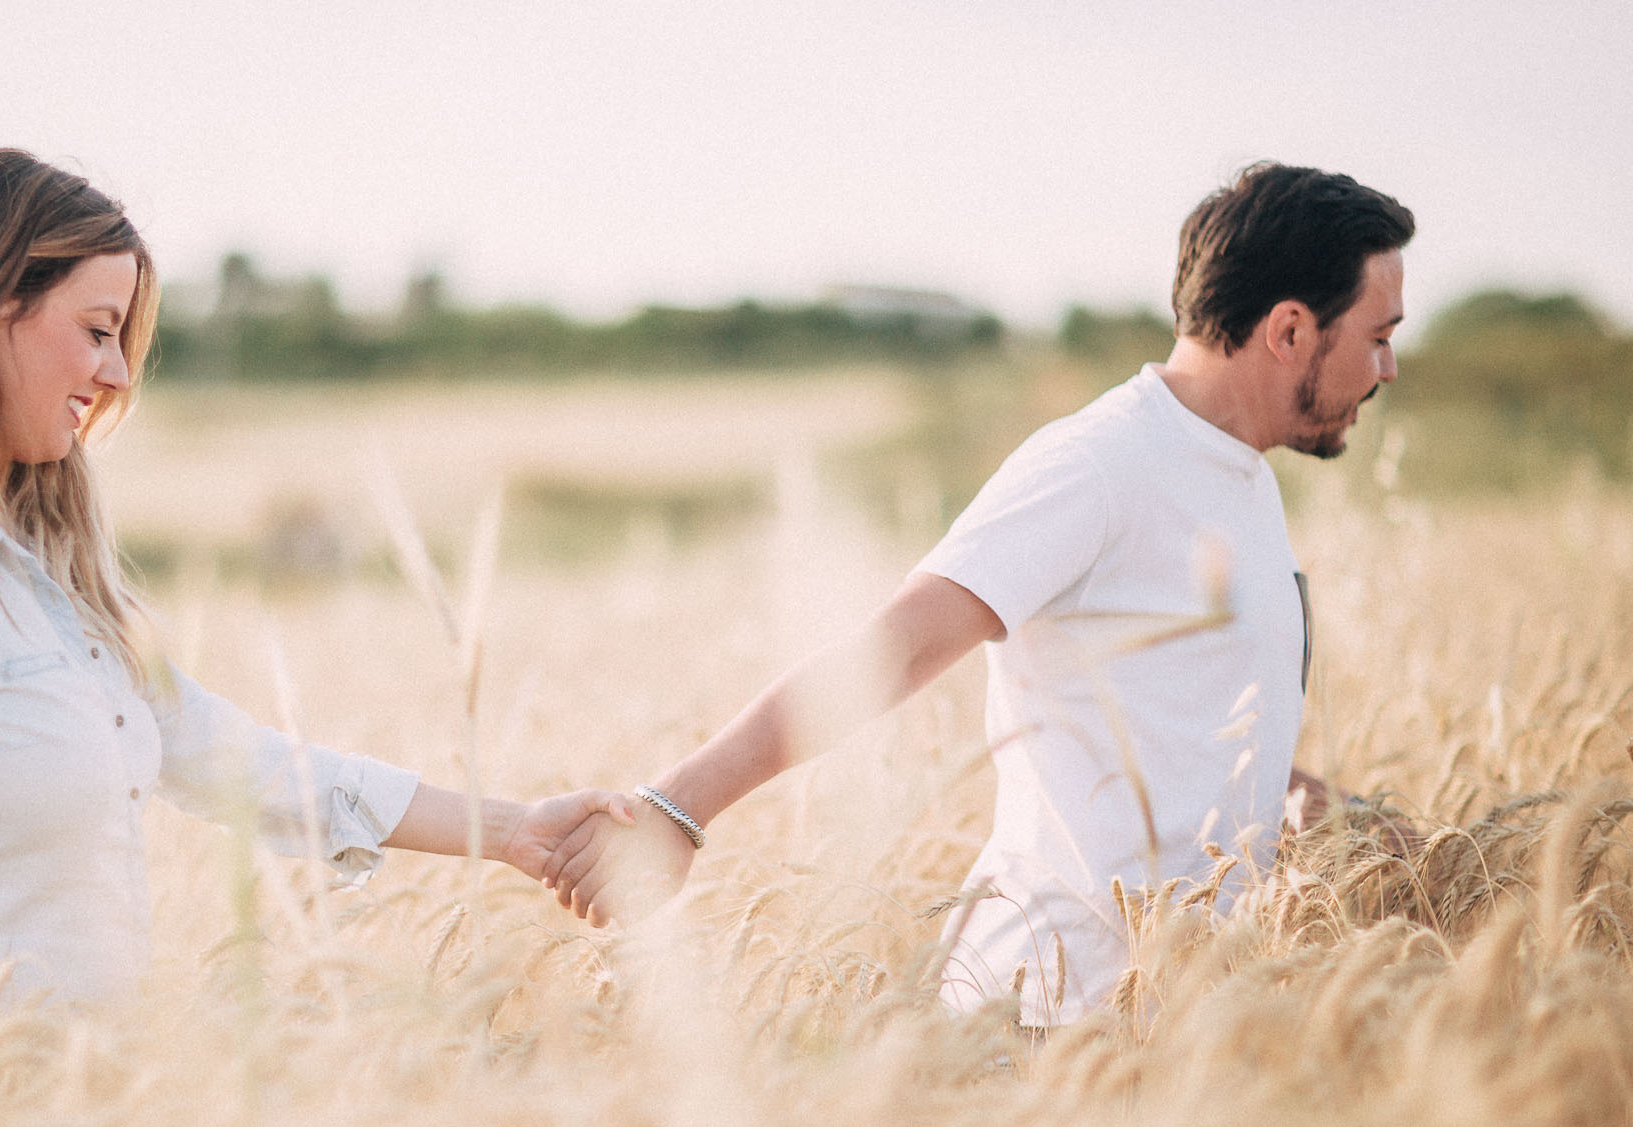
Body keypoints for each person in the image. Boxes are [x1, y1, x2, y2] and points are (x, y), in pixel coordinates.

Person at [0, 148, 633, 1048]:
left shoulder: (44, 579)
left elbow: (247, 763)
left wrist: (515, 832)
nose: (120, 374)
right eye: (96, 330)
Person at [545, 163, 1414, 1028]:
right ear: (1291, 329)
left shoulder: (1246, 484)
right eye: (1377, 334)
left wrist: (1398, 842)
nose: (1389, 365)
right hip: (1047, 1018)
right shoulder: (1097, 465)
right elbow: (891, 649)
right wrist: (674, 810)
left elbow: (1200, 745)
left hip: (1183, 1017)